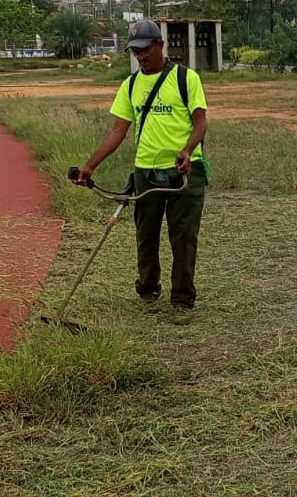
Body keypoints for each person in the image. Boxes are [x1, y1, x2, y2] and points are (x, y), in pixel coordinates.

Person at [75, 19, 209, 323]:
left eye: (145, 50)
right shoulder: (130, 84)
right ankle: (148, 291)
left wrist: (187, 151)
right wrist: (90, 165)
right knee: (145, 235)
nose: (140, 56)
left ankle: (182, 300)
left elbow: (200, 122)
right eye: (135, 51)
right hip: (145, 173)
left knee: (183, 237)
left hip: (184, 172)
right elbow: (117, 131)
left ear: (160, 46)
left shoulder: (186, 79)